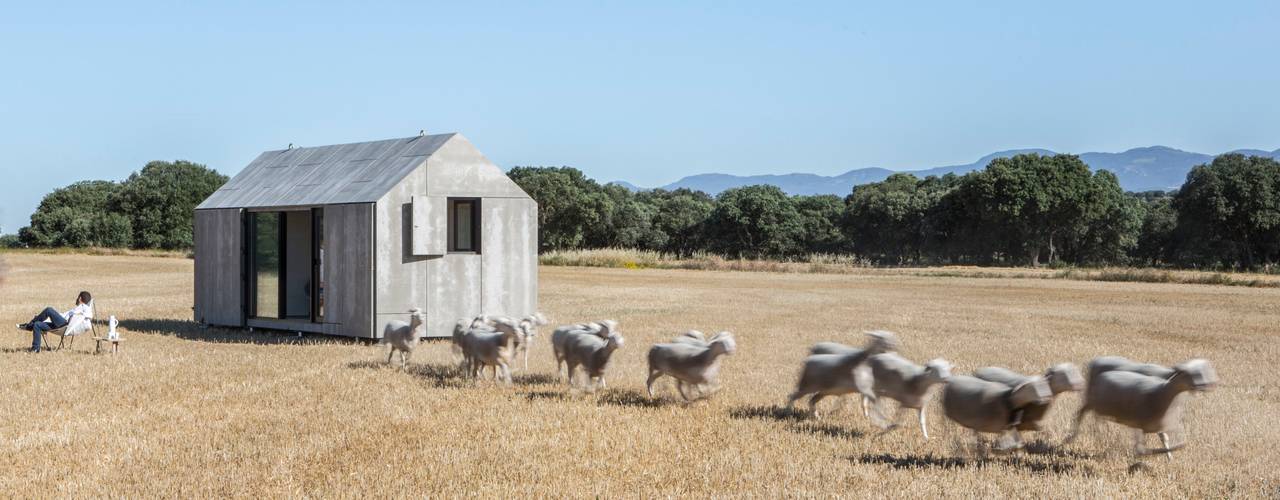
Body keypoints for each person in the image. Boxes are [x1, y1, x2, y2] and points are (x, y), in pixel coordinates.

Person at [17, 291, 92, 353]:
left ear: (80, 298)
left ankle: (29, 326)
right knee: (37, 325)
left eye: (77, 297)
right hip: (60, 325)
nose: (76, 299)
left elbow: (86, 316)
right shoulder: (78, 308)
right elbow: (63, 315)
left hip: (64, 325)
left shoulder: (83, 307)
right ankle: (35, 349)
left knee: (49, 310)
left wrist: (72, 323)